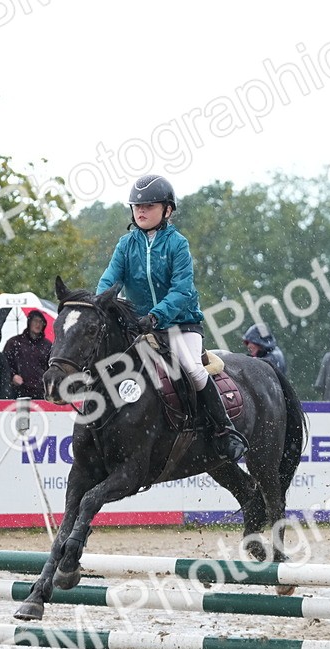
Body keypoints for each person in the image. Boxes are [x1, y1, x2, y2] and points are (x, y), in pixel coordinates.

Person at [96, 174, 247, 462]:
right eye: (136, 206)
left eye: (149, 206)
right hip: (139, 326)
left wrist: (156, 316)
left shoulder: (178, 244)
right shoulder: (126, 244)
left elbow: (181, 291)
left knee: (191, 369)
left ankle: (224, 431)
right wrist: (101, 304)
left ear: (167, 210)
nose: (140, 211)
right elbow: (108, 281)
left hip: (180, 324)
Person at [3, 310, 53, 400]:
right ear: (29, 322)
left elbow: (52, 367)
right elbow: (5, 364)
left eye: (40, 322)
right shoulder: (14, 343)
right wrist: (12, 376)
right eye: (35, 321)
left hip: (41, 391)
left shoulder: (48, 346)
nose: (38, 324)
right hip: (19, 391)